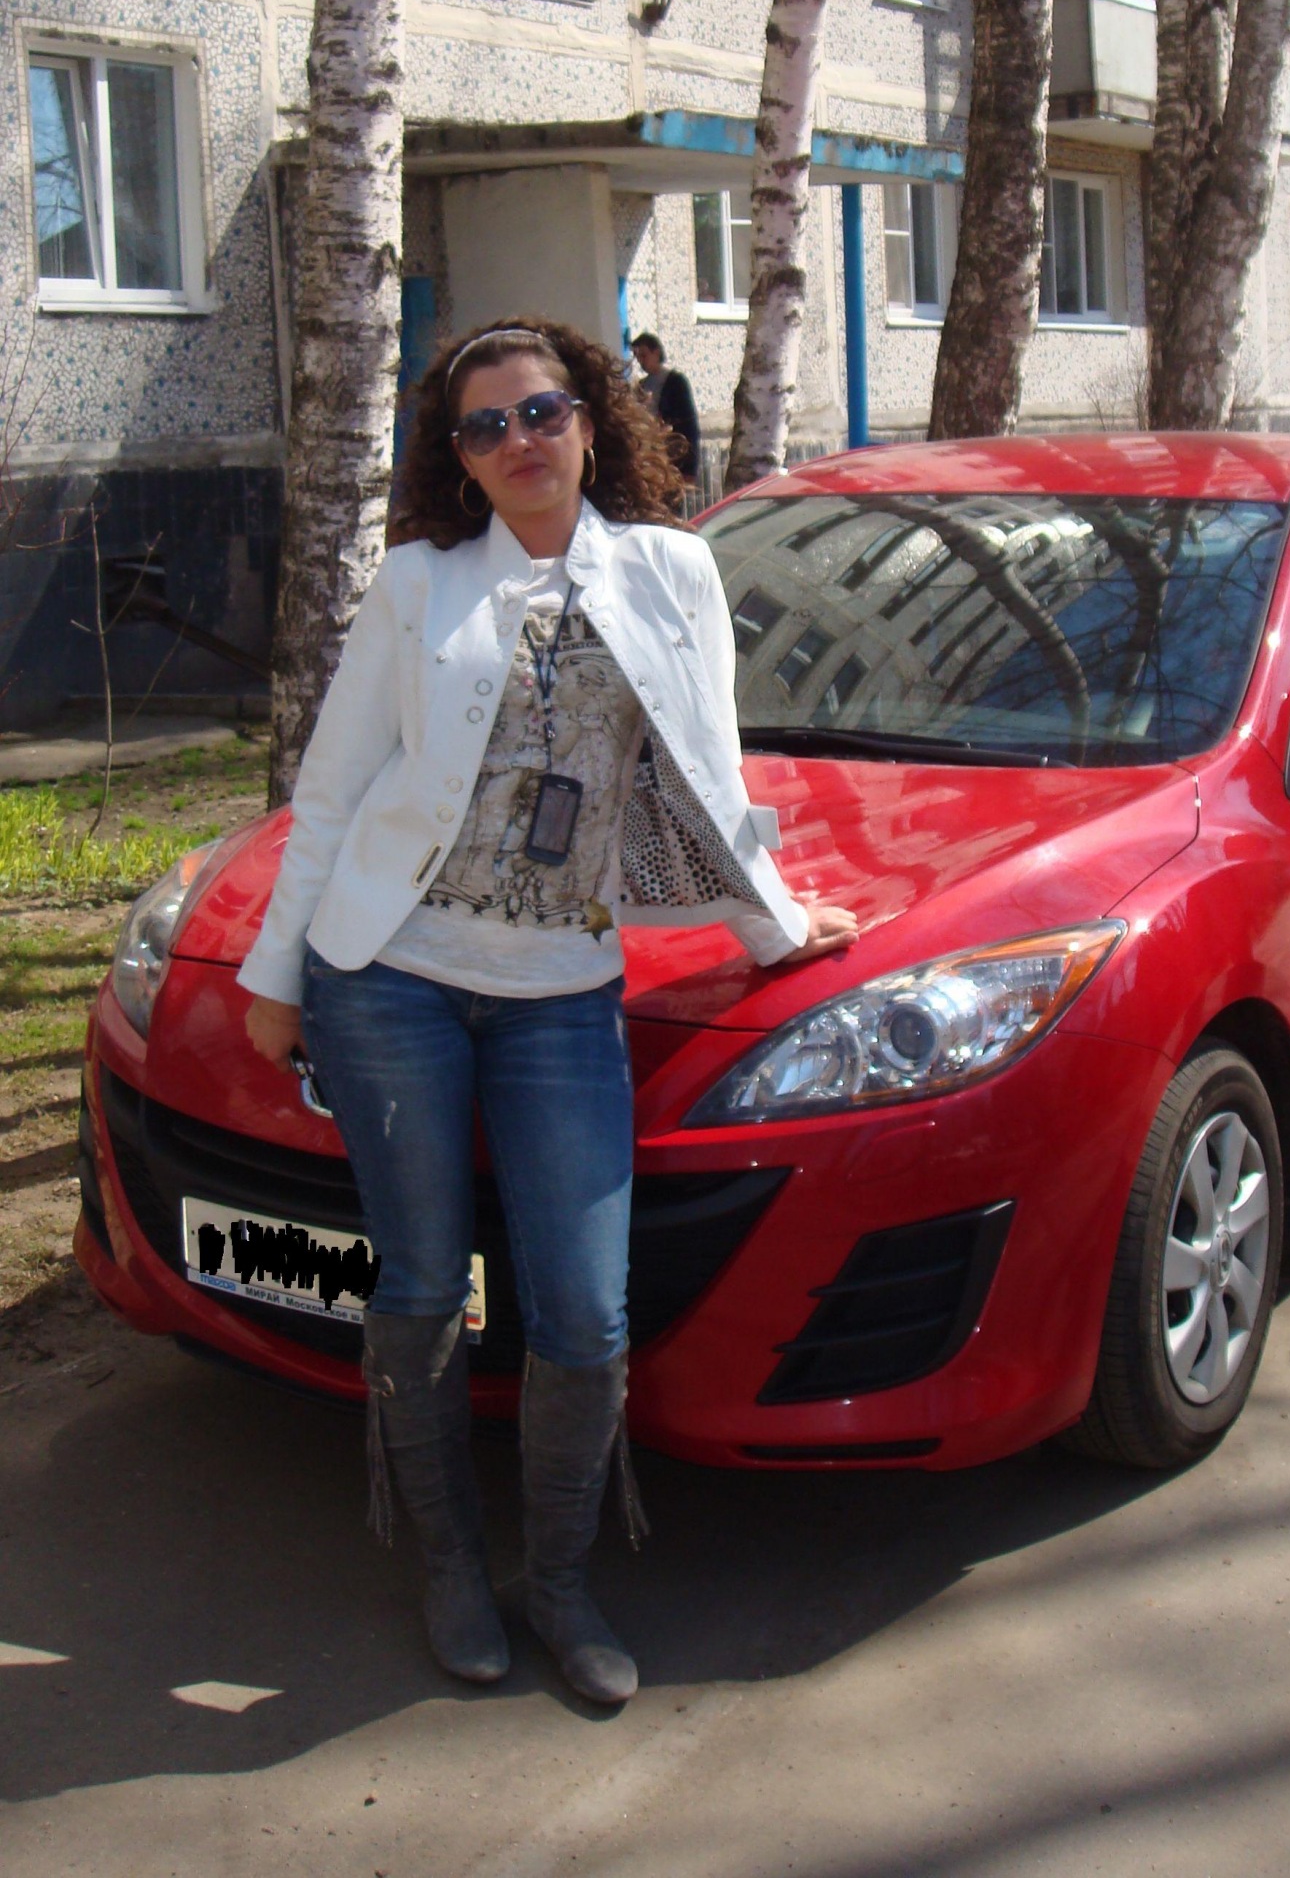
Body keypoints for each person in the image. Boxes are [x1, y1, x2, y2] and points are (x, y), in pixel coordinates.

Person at [237, 319, 857, 1707]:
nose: (518, 440)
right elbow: (331, 790)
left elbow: (708, 768)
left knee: (583, 1307)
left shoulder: (671, 570)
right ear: (456, 458)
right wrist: (277, 976)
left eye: (541, 411)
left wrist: (773, 920)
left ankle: (564, 1580)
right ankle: (454, 1566)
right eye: (484, 426)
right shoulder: (419, 582)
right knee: (419, 1286)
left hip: (560, 993)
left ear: (590, 420)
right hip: (387, 976)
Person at [629, 332, 700, 482]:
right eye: (638, 357)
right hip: (650, 455)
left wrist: (690, 466)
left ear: (656, 352)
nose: (641, 361)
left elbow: (688, 424)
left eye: (644, 355)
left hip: (672, 454)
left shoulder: (675, 382)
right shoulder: (641, 386)